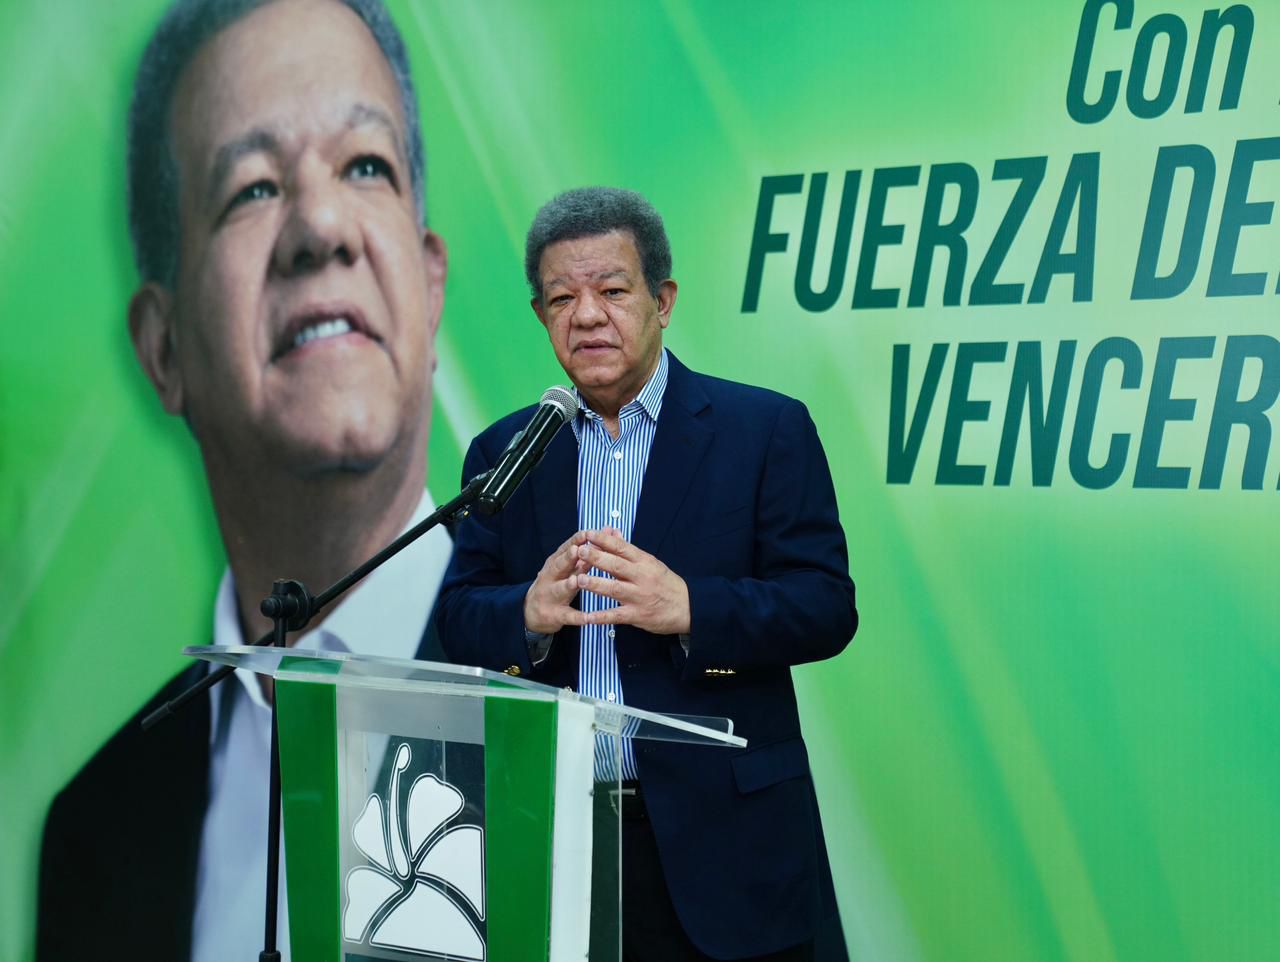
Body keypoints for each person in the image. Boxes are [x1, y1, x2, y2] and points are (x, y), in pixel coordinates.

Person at [36, 1, 450, 959]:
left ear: (431, 289)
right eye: (253, 188)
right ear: (164, 348)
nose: (321, 226)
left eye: (365, 166)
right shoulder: (97, 834)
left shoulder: (621, 712)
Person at [436, 187, 858, 962]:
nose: (587, 316)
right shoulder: (506, 453)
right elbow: (458, 616)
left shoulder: (763, 430)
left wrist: (691, 606)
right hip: (557, 841)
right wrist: (526, 612)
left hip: (726, 847)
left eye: (612, 291)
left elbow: (826, 604)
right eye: (562, 298)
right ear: (539, 315)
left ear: (663, 301)